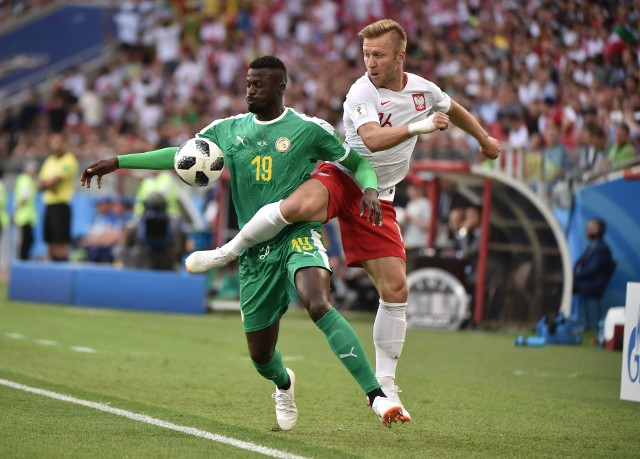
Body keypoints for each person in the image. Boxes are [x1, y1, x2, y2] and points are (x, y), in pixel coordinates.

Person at [185, 19, 500, 419]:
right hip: (343, 177)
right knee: (296, 206)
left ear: (400, 56)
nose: (370, 62)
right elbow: (371, 140)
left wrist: (484, 139)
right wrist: (421, 126)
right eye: (366, 54)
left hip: (379, 197)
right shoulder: (360, 91)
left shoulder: (424, 91)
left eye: (379, 55)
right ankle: (227, 251)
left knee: (396, 288)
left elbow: (451, 108)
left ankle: (385, 384)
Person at [80, 56, 406, 429]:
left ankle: (375, 395)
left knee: (317, 301)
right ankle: (284, 383)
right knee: (261, 357)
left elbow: (357, 163)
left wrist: (368, 189)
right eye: (248, 83)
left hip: (295, 234)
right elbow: (181, 155)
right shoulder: (227, 129)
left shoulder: (308, 129)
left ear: (280, 87)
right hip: (253, 251)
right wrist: (120, 162)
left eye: (258, 84)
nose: (249, 90)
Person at [38, 132, 79, 262]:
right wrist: (48, 184)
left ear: (64, 144)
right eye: (53, 142)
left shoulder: (69, 159)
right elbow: (39, 184)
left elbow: (52, 182)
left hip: (61, 206)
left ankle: (63, 273)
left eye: (58, 142)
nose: (55, 145)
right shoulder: (49, 161)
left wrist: (47, 184)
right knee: (50, 242)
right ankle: (53, 275)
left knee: (61, 242)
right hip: (49, 205)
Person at [573, 218, 615, 329]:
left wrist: (574, 276)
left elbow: (592, 270)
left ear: (600, 230)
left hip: (592, 285)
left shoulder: (602, 249)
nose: (589, 229)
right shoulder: (591, 247)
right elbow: (578, 265)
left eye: (593, 227)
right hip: (583, 282)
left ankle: (559, 322)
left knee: (561, 286)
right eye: (588, 227)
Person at [13, 160, 38, 260]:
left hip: (26, 216)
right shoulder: (26, 181)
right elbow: (24, 197)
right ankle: (22, 260)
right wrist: (16, 211)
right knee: (26, 240)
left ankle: (23, 259)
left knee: (26, 240)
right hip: (24, 216)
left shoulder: (24, 180)